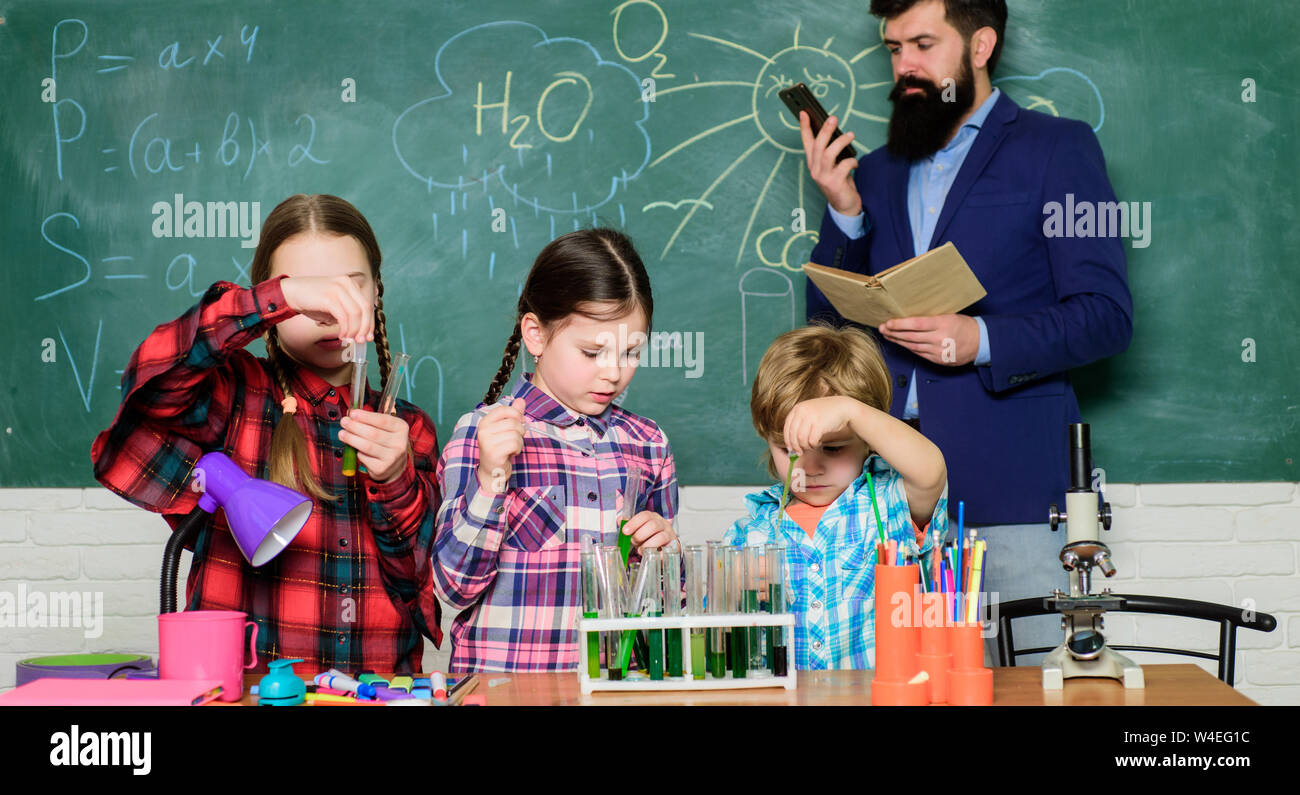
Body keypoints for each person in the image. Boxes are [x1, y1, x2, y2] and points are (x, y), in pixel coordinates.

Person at [799, 0, 1133, 656]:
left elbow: (1107, 315)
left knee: (1025, 695)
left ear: (980, 46)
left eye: (923, 44)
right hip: (884, 509)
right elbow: (823, 337)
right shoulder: (877, 172)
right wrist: (843, 213)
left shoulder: (1060, 150)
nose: (905, 66)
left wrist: (981, 340)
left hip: (1009, 493)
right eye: (895, 48)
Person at [91, 194, 442, 674]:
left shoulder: (409, 428)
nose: (328, 313)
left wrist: (396, 478)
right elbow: (150, 386)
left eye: (350, 288)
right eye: (311, 295)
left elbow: (415, 579)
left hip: (374, 691)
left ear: (377, 291)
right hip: (242, 692)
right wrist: (280, 299)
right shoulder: (236, 392)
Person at [434, 228, 679, 672]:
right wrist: (490, 479)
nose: (614, 373)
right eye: (592, 352)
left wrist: (667, 558)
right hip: (504, 695)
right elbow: (453, 589)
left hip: (614, 691)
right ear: (536, 334)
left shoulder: (648, 445)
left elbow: (666, 611)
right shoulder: (482, 433)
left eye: (631, 352)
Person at [725, 324, 947, 669]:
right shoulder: (751, 532)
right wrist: (733, 591)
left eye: (833, 448)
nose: (810, 467)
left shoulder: (889, 502)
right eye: (789, 450)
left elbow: (931, 470)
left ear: (867, 438)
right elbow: (720, 633)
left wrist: (852, 411)